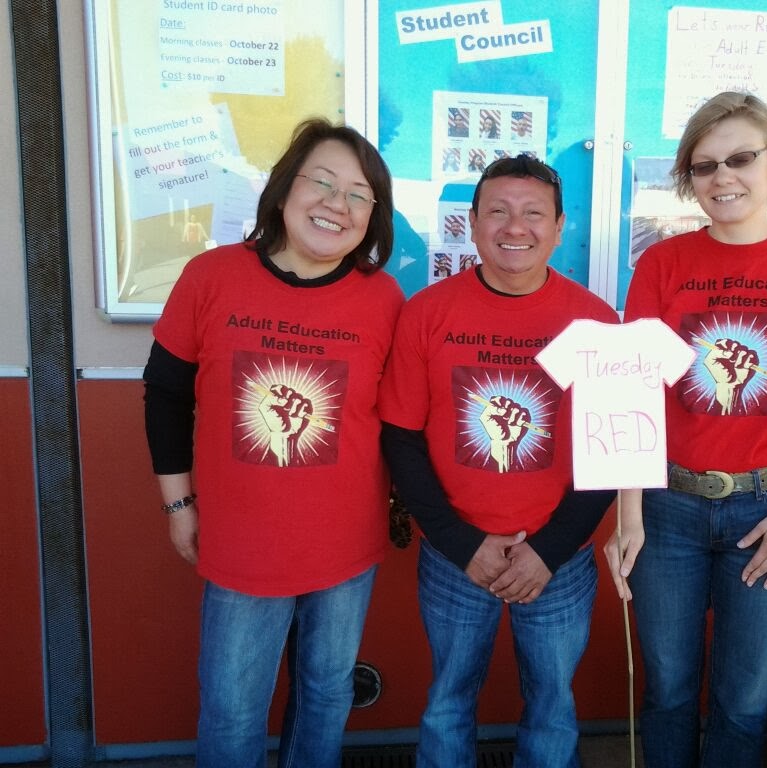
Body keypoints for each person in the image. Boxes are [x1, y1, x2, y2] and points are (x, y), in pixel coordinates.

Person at [603, 92, 767, 767]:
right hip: (668, 510)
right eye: (704, 165)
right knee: (668, 692)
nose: (723, 177)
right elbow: (633, 391)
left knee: (743, 700)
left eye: (740, 158)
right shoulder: (663, 265)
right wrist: (629, 517)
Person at [143, 119, 403, 768]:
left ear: (372, 217)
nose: (336, 204)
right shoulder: (211, 276)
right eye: (322, 182)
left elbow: (400, 419)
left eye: (358, 194)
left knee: (325, 698)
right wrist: (178, 504)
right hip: (243, 547)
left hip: (345, 546)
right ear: (284, 189)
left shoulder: (384, 299)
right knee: (232, 709)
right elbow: (166, 394)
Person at [379, 154, 619, 768]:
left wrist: (549, 550)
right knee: (448, 702)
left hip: (558, 560)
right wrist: (462, 543)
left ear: (560, 227)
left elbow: (610, 451)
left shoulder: (596, 322)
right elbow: (401, 438)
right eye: (498, 212)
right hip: (454, 555)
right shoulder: (427, 312)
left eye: (534, 213)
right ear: (472, 223)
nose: (516, 227)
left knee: (552, 706)